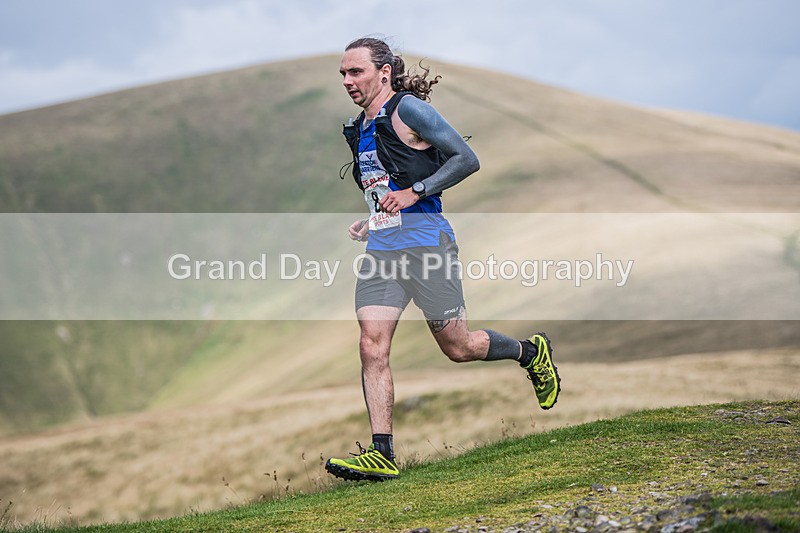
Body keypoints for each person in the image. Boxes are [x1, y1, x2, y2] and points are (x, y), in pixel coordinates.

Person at [325, 37, 561, 482]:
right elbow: (385, 188)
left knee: (458, 347)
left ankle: (531, 353)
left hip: (428, 246)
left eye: (355, 72)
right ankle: (382, 453)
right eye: (342, 73)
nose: (347, 81)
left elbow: (466, 159)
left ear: (384, 72)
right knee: (370, 344)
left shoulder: (408, 110)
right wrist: (371, 219)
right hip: (384, 250)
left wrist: (415, 192)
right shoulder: (359, 128)